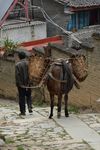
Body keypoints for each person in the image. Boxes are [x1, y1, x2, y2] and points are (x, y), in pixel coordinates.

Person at [15, 51, 33, 115]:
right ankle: (30, 107)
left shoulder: (17, 65)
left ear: (19, 57)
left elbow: (17, 75)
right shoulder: (29, 63)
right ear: (25, 56)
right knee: (29, 95)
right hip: (29, 83)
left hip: (21, 84)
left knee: (22, 97)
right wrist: (30, 82)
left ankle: (23, 111)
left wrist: (19, 84)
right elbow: (31, 73)